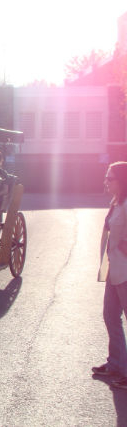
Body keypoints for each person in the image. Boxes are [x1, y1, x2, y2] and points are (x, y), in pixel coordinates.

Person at [92, 162, 127, 390]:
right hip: (115, 271)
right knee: (110, 316)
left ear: (122, 181)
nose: (106, 181)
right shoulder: (117, 203)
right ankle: (116, 364)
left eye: (109, 177)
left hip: (125, 272)